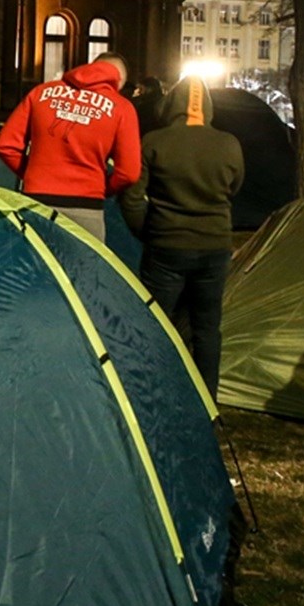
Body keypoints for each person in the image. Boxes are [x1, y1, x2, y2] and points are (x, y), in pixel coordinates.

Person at [119, 75, 243, 401]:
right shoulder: (229, 143)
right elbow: (235, 187)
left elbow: (132, 197)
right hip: (214, 246)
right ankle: (205, 400)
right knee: (206, 328)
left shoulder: (155, 141)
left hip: (166, 246)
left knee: (156, 322)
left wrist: (146, 231)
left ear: (170, 103)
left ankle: (151, 391)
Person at [0, 51, 141, 242]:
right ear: (118, 81)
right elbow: (129, 172)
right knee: (83, 269)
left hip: (36, 201)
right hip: (86, 207)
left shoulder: (40, 93)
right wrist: (102, 188)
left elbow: (5, 145)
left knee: (33, 268)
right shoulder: (122, 108)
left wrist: (33, 174)